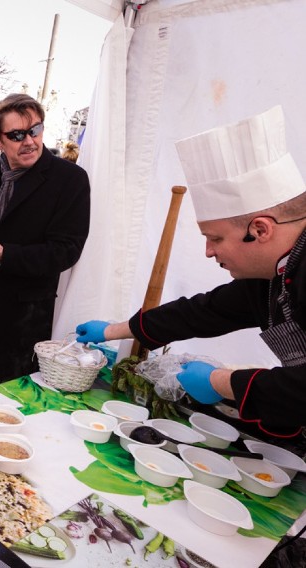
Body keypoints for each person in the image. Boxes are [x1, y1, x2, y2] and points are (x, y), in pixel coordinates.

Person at [76, 105, 306, 438]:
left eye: (215, 238)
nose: (209, 251)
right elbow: (201, 312)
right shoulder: (270, 276)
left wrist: (220, 382)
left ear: (260, 230)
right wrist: (113, 330)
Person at [0, 94, 90, 393]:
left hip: (25, 321)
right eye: (16, 135)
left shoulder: (70, 179)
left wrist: (5, 254)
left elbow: (67, 250)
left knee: (17, 406)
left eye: (35, 130)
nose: (29, 141)